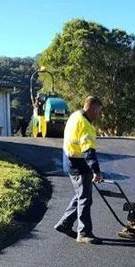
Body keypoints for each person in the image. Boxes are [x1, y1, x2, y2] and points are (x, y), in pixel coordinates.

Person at [54, 95, 103, 244]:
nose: (98, 115)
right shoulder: (85, 125)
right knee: (85, 199)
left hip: (69, 160)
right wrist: (96, 171)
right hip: (78, 164)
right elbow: (88, 151)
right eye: (98, 111)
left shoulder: (75, 115)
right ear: (93, 108)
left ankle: (64, 224)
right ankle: (84, 233)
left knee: (80, 195)